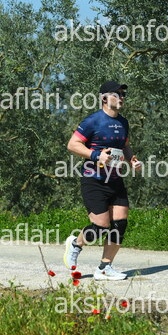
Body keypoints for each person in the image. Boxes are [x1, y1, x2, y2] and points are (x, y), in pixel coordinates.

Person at [64, 81, 142, 280]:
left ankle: (104, 268)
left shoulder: (123, 122)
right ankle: (76, 244)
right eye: (117, 94)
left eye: (123, 94)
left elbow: (125, 146)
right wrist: (96, 155)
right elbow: (73, 144)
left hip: (115, 180)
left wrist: (131, 160)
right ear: (104, 98)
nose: (121, 97)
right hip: (94, 180)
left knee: (120, 224)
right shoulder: (93, 121)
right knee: (100, 227)